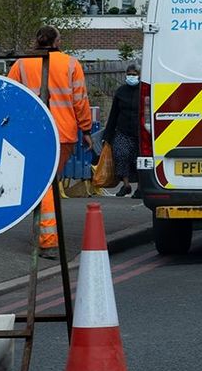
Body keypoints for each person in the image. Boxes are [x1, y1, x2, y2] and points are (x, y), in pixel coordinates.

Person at [8, 26, 93, 254]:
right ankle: (47, 238)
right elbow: (80, 100)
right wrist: (85, 129)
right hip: (63, 132)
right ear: (56, 41)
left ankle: (46, 236)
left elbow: (10, 96)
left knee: (42, 182)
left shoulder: (22, 64)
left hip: (34, 133)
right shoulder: (70, 64)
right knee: (48, 183)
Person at [105, 63, 141, 197]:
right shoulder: (121, 91)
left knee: (139, 159)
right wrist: (108, 136)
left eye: (134, 74)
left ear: (139, 75)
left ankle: (140, 188)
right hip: (122, 131)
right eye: (129, 74)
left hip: (140, 132)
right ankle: (125, 185)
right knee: (121, 155)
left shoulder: (144, 90)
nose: (131, 77)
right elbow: (114, 113)